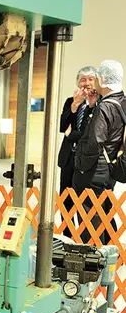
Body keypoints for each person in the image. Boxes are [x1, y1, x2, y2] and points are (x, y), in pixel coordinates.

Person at [74, 60, 126, 245]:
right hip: (110, 168)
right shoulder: (122, 101)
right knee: (105, 214)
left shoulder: (105, 106)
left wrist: (81, 165)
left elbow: (96, 141)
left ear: (103, 80)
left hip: (94, 172)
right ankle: (110, 254)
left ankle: (93, 258)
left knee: (91, 220)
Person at [58, 66, 98, 236]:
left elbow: (91, 135)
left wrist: (71, 134)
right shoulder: (71, 101)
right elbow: (62, 126)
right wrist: (75, 105)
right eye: (83, 79)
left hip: (87, 161)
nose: (86, 83)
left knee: (85, 202)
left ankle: (84, 238)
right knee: (65, 200)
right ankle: (67, 238)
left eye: (90, 79)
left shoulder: (100, 103)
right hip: (68, 158)